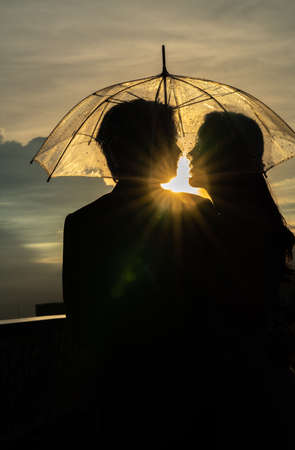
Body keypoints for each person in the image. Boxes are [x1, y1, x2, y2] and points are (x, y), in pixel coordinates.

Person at [62, 99, 217, 445]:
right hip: (190, 384)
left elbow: (79, 315)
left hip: (116, 388)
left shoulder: (82, 224)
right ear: (146, 147)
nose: (180, 149)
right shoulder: (199, 213)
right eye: (169, 138)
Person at [189, 111, 295, 448]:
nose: (189, 154)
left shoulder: (218, 227)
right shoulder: (251, 221)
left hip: (241, 398)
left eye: (199, 145)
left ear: (223, 155)